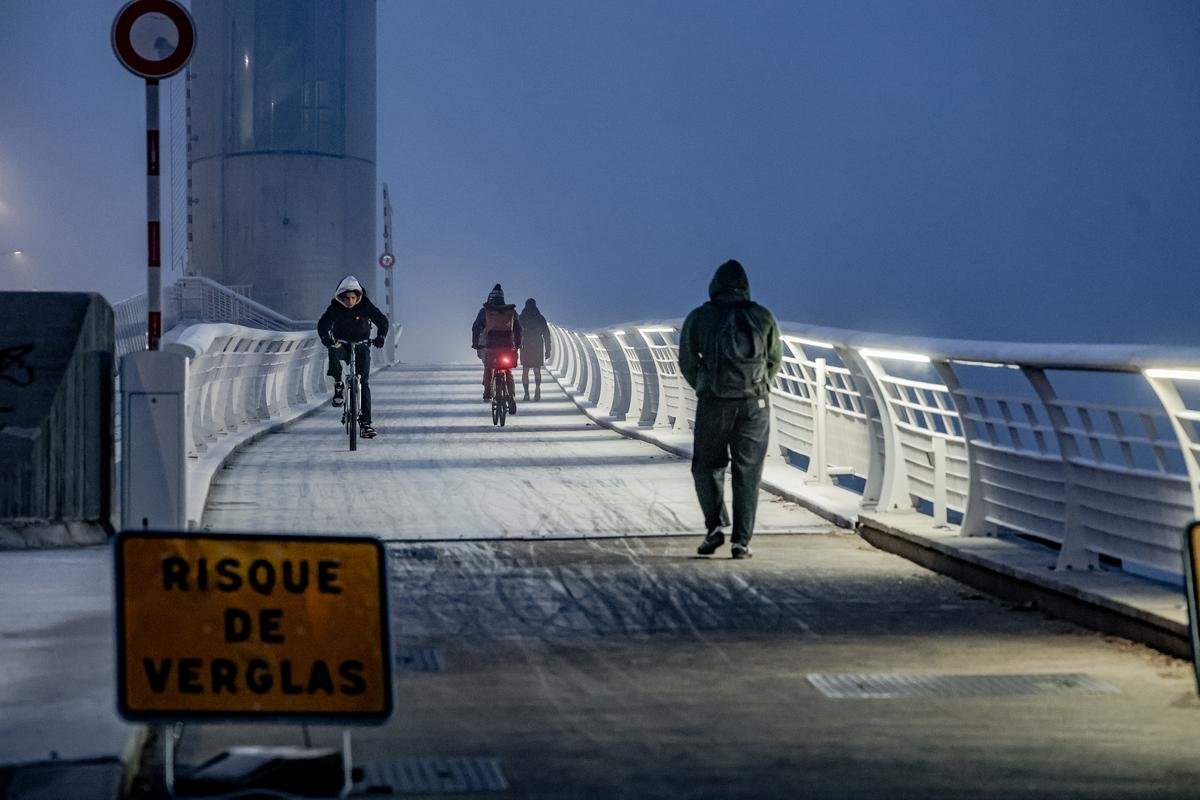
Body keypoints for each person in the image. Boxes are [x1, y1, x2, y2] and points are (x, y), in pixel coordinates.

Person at [679, 259, 782, 559]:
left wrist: (705, 384)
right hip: (755, 405)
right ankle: (741, 542)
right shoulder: (762, 316)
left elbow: (687, 359)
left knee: (707, 467)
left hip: (714, 403)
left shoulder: (700, 317)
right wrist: (757, 387)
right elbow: (774, 360)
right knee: (747, 471)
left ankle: (714, 527)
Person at [317, 275, 388, 439]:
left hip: (362, 344)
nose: (350, 302)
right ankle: (338, 384)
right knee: (333, 350)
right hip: (341, 343)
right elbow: (323, 324)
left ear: (358, 296)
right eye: (347, 298)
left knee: (364, 382)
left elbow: (381, 320)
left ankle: (366, 424)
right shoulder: (335, 306)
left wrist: (381, 336)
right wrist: (326, 338)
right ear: (341, 297)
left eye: (353, 298)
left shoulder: (365, 305)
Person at [471, 284, 522, 413]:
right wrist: (517, 344)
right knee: (508, 371)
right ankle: (511, 396)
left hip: (491, 346)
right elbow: (518, 328)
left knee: (489, 367)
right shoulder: (510, 311)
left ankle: (487, 392)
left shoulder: (486, 311)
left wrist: (476, 343)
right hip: (508, 346)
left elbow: (476, 327)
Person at [518, 298, 552, 401]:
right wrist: (548, 350)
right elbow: (546, 334)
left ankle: (526, 394)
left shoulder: (521, 317)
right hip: (537, 344)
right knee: (537, 369)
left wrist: (516, 345)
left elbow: (517, 332)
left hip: (526, 345)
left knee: (525, 370)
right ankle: (537, 388)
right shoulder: (541, 318)